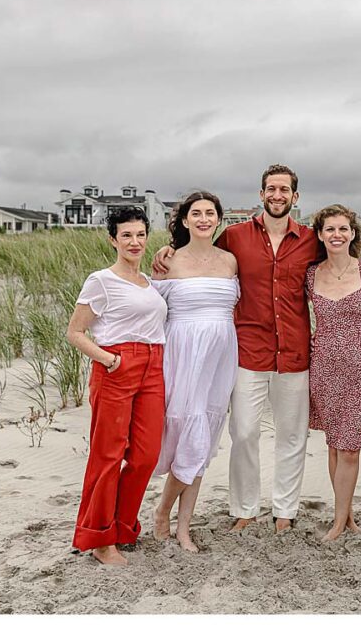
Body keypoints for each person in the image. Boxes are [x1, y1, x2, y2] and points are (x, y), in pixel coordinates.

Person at [153, 165, 317, 533]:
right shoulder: (235, 238)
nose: (277, 195)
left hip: (294, 352)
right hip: (247, 351)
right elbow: (199, 255)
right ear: (261, 195)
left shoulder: (311, 240)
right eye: (271, 189)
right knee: (243, 432)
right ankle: (244, 509)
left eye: (284, 190)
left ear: (295, 196)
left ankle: (285, 511)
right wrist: (167, 252)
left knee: (292, 435)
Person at [66, 206, 168, 566]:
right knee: (108, 456)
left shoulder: (150, 283)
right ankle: (100, 538)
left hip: (154, 366)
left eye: (140, 234)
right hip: (116, 366)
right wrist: (109, 360)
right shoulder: (101, 280)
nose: (135, 241)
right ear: (113, 239)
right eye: (126, 235)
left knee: (145, 456)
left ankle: (124, 526)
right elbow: (74, 332)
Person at [149, 191, 239, 553]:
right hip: (182, 355)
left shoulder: (231, 261)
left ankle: (182, 525)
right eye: (196, 213)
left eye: (210, 213)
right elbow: (151, 311)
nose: (204, 219)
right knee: (186, 431)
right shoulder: (168, 262)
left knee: (203, 437)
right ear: (184, 221)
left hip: (220, 357)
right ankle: (162, 512)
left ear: (219, 219)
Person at [306, 204, 361, 541]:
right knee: (334, 445)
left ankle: (337, 524)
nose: (337, 235)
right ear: (320, 235)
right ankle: (346, 515)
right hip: (323, 367)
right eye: (330, 229)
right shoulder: (310, 274)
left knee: (350, 446)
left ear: (352, 234)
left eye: (343, 229)